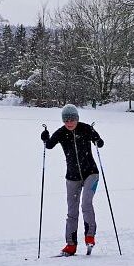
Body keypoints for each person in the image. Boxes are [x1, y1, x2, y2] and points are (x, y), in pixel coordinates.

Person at [41, 104, 104, 255]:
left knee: (86, 204)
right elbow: (49, 145)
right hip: (72, 177)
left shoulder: (85, 129)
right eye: (66, 120)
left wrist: (96, 138)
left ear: (77, 119)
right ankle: (70, 245)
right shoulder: (62, 132)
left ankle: (90, 237)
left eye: (72, 119)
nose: (69, 123)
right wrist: (45, 138)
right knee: (72, 211)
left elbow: (100, 144)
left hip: (91, 173)